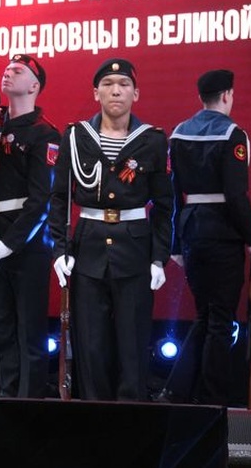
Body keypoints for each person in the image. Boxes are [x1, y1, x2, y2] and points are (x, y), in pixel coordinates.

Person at [48, 58, 174, 401]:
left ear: (136, 93)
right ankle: (94, 416)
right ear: (96, 93)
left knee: (132, 342)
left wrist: (159, 257)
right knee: (90, 343)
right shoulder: (76, 136)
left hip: (135, 250)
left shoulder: (152, 140)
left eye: (123, 84)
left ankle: (129, 416)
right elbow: (60, 198)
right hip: (88, 248)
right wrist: (60, 250)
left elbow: (165, 205)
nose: (115, 90)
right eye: (107, 84)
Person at [158, 69, 251, 406]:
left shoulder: (178, 134)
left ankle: (178, 390)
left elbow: (173, 195)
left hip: (192, 229)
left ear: (201, 97)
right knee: (220, 320)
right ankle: (211, 398)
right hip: (222, 232)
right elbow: (235, 195)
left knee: (206, 315)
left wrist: (176, 244)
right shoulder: (234, 134)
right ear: (227, 95)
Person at [0, 54, 60, 399]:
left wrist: (9, 243)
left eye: (18, 71)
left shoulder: (44, 134)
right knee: (2, 328)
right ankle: (8, 398)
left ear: (34, 85)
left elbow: (41, 200)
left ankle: (29, 403)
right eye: (7, 69)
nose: (8, 74)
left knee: (29, 331)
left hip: (26, 243)